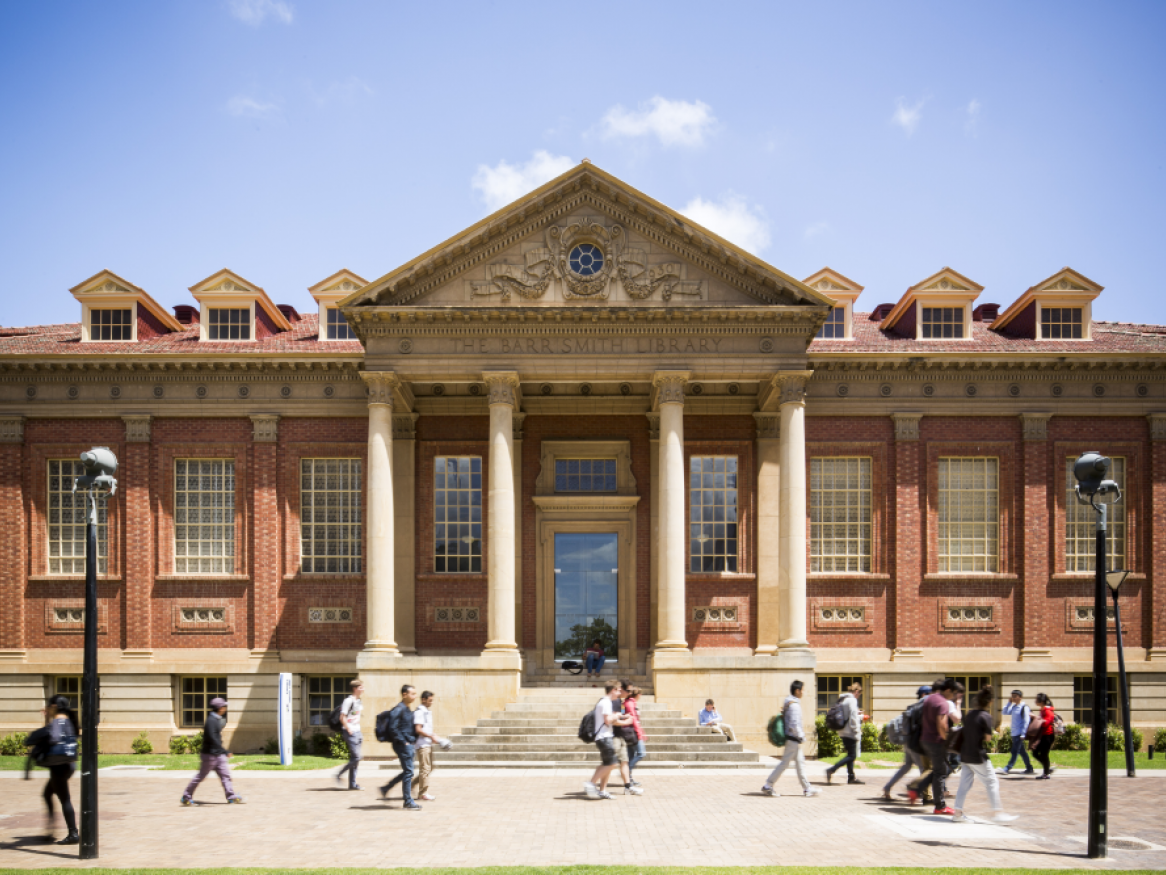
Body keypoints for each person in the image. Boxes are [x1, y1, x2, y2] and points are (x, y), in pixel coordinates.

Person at [952, 686, 1019, 824]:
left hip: (964, 754)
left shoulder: (969, 714)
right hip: (977, 755)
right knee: (992, 782)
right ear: (989, 702)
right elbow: (988, 738)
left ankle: (957, 813)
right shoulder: (986, 716)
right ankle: (997, 813)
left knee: (964, 785)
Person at [27, 695, 79, 844]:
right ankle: (52, 829)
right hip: (68, 765)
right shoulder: (69, 721)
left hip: (58, 766)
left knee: (65, 799)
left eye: (49, 707)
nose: (47, 709)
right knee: (47, 794)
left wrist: (46, 729)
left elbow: (54, 737)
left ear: (54, 707)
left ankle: (73, 833)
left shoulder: (57, 722)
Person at [908, 678, 960, 814]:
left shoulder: (930, 699)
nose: (954, 696)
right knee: (940, 773)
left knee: (936, 770)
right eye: (953, 693)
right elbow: (941, 724)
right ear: (948, 690)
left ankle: (916, 789)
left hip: (925, 739)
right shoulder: (943, 703)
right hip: (936, 741)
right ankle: (939, 806)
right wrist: (945, 741)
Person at [181, 697, 244, 805]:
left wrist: (222, 752)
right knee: (200, 776)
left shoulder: (216, 719)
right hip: (209, 755)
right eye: (224, 706)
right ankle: (186, 797)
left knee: (225, 775)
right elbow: (212, 738)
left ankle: (231, 797)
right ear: (220, 708)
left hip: (218, 755)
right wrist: (224, 751)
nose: (225, 708)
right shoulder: (211, 721)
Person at [761, 680, 819, 797]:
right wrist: (802, 737)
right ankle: (768, 785)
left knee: (800, 763)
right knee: (784, 764)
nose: (803, 692)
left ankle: (807, 788)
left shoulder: (789, 703)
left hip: (793, 740)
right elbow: (794, 725)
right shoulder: (794, 706)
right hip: (793, 739)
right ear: (797, 691)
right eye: (802, 690)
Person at [583, 682, 639, 799]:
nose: (620, 693)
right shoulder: (606, 702)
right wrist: (620, 718)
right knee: (612, 763)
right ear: (613, 690)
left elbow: (608, 718)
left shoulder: (604, 701)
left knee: (607, 763)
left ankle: (602, 790)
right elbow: (608, 720)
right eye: (618, 690)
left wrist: (619, 715)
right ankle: (591, 783)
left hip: (604, 736)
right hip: (605, 737)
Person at [883, 685, 931, 801]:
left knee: (907, 766)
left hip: (907, 740)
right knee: (924, 768)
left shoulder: (913, 706)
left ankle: (888, 787)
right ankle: (923, 794)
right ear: (924, 695)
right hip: (915, 742)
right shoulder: (923, 706)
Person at [379, 685, 422, 810]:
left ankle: (386, 788)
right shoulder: (398, 709)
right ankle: (408, 801)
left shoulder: (407, 709)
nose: (415, 696)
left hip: (408, 744)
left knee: (407, 771)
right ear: (404, 694)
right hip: (402, 745)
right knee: (409, 772)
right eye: (412, 693)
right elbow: (393, 728)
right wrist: (404, 742)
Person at [413, 691, 450, 802]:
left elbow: (428, 729)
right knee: (425, 769)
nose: (431, 702)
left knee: (430, 768)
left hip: (427, 743)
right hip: (422, 744)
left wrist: (438, 738)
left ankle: (413, 784)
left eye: (432, 700)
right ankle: (423, 793)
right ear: (423, 699)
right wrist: (430, 736)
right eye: (430, 700)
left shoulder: (427, 712)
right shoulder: (420, 712)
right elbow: (418, 729)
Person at [825, 683, 864, 785]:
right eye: (859, 694)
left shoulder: (843, 699)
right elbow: (853, 718)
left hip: (842, 731)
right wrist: (857, 731)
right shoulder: (852, 700)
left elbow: (849, 714)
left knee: (850, 754)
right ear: (856, 691)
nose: (858, 696)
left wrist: (857, 714)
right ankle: (832, 769)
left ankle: (851, 777)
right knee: (852, 756)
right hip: (850, 732)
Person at [998, 689, 1035, 776]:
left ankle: (1007, 768)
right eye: (1012, 696)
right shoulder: (1014, 707)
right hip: (1014, 733)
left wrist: (1023, 734)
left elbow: (1026, 721)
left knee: (1014, 751)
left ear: (1020, 697)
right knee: (1022, 752)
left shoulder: (1024, 707)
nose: (1013, 698)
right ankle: (1029, 768)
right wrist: (1008, 703)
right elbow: (1004, 712)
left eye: (1015, 696)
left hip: (1019, 734)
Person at [335, 679, 364, 790]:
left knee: (355, 759)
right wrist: (348, 729)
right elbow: (342, 717)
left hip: (357, 731)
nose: (363, 689)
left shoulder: (358, 701)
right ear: (355, 689)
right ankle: (339, 774)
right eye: (361, 687)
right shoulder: (348, 701)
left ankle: (352, 784)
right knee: (357, 757)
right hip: (350, 732)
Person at [622, 684, 647, 779]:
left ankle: (628, 778)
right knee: (641, 753)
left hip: (631, 732)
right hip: (632, 732)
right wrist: (639, 733)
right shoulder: (630, 703)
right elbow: (634, 720)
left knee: (631, 755)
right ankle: (627, 771)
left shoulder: (630, 703)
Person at [1031, 692, 1056, 780]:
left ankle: (1046, 773)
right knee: (1034, 752)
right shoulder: (1042, 710)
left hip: (1048, 736)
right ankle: (1047, 769)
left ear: (1041, 701)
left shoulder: (1048, 711)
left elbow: (1046, 723)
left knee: (1044, 754)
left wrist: (1035, 718)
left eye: (1036, 699)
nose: (1035, 701)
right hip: (1042, 735)